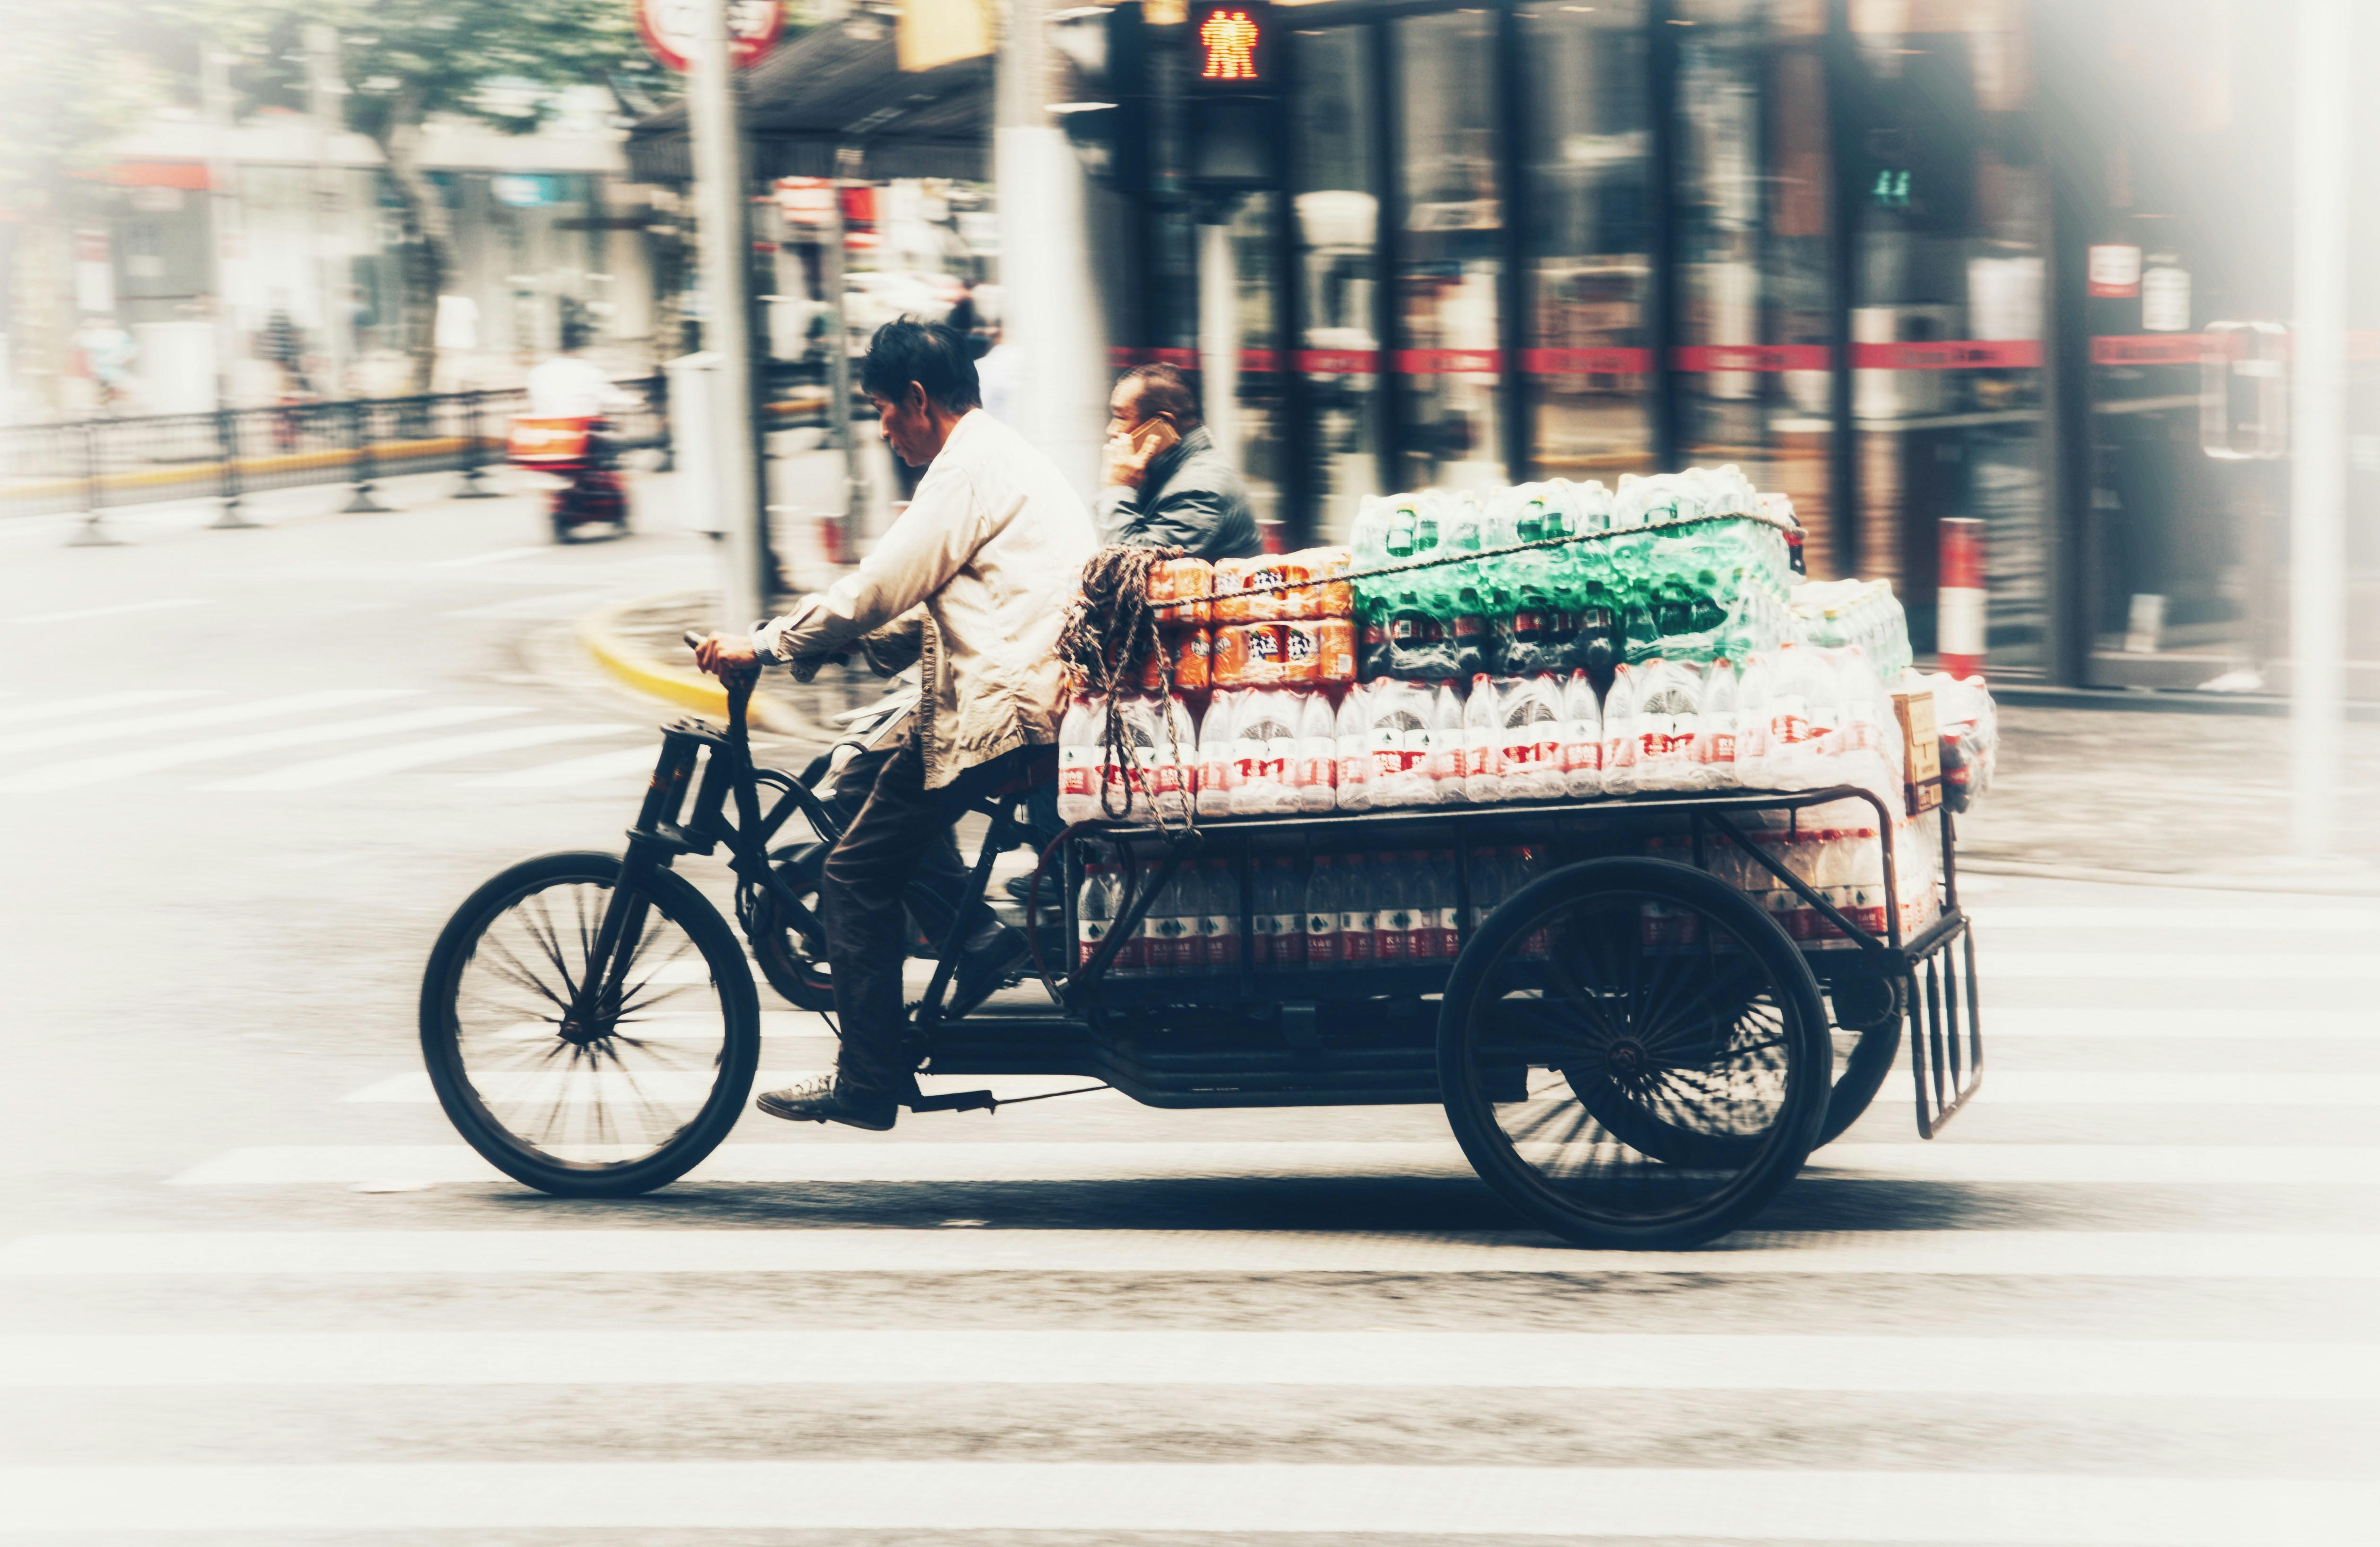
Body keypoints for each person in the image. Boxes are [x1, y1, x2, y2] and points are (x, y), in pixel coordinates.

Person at [696, 319, 1096, 1132]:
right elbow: (913, 608)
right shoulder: (995, 458)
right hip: (1013, 692)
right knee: (865, 789)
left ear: (918, 399)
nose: (881, 426)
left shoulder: (967, 468)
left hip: (1007, 710)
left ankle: (869, 1079)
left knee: (852, 875)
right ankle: (974, 940)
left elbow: (881, 585)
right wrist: (824, 641)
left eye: (882, 408)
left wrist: (769, 643)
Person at [1095, 362, 1263, 561]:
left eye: (1120, 417)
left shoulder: (1200, 489)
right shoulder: (1162, 472)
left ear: (1162, 424)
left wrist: (1118, 488)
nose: (1112, 430)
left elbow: (1125, 569)